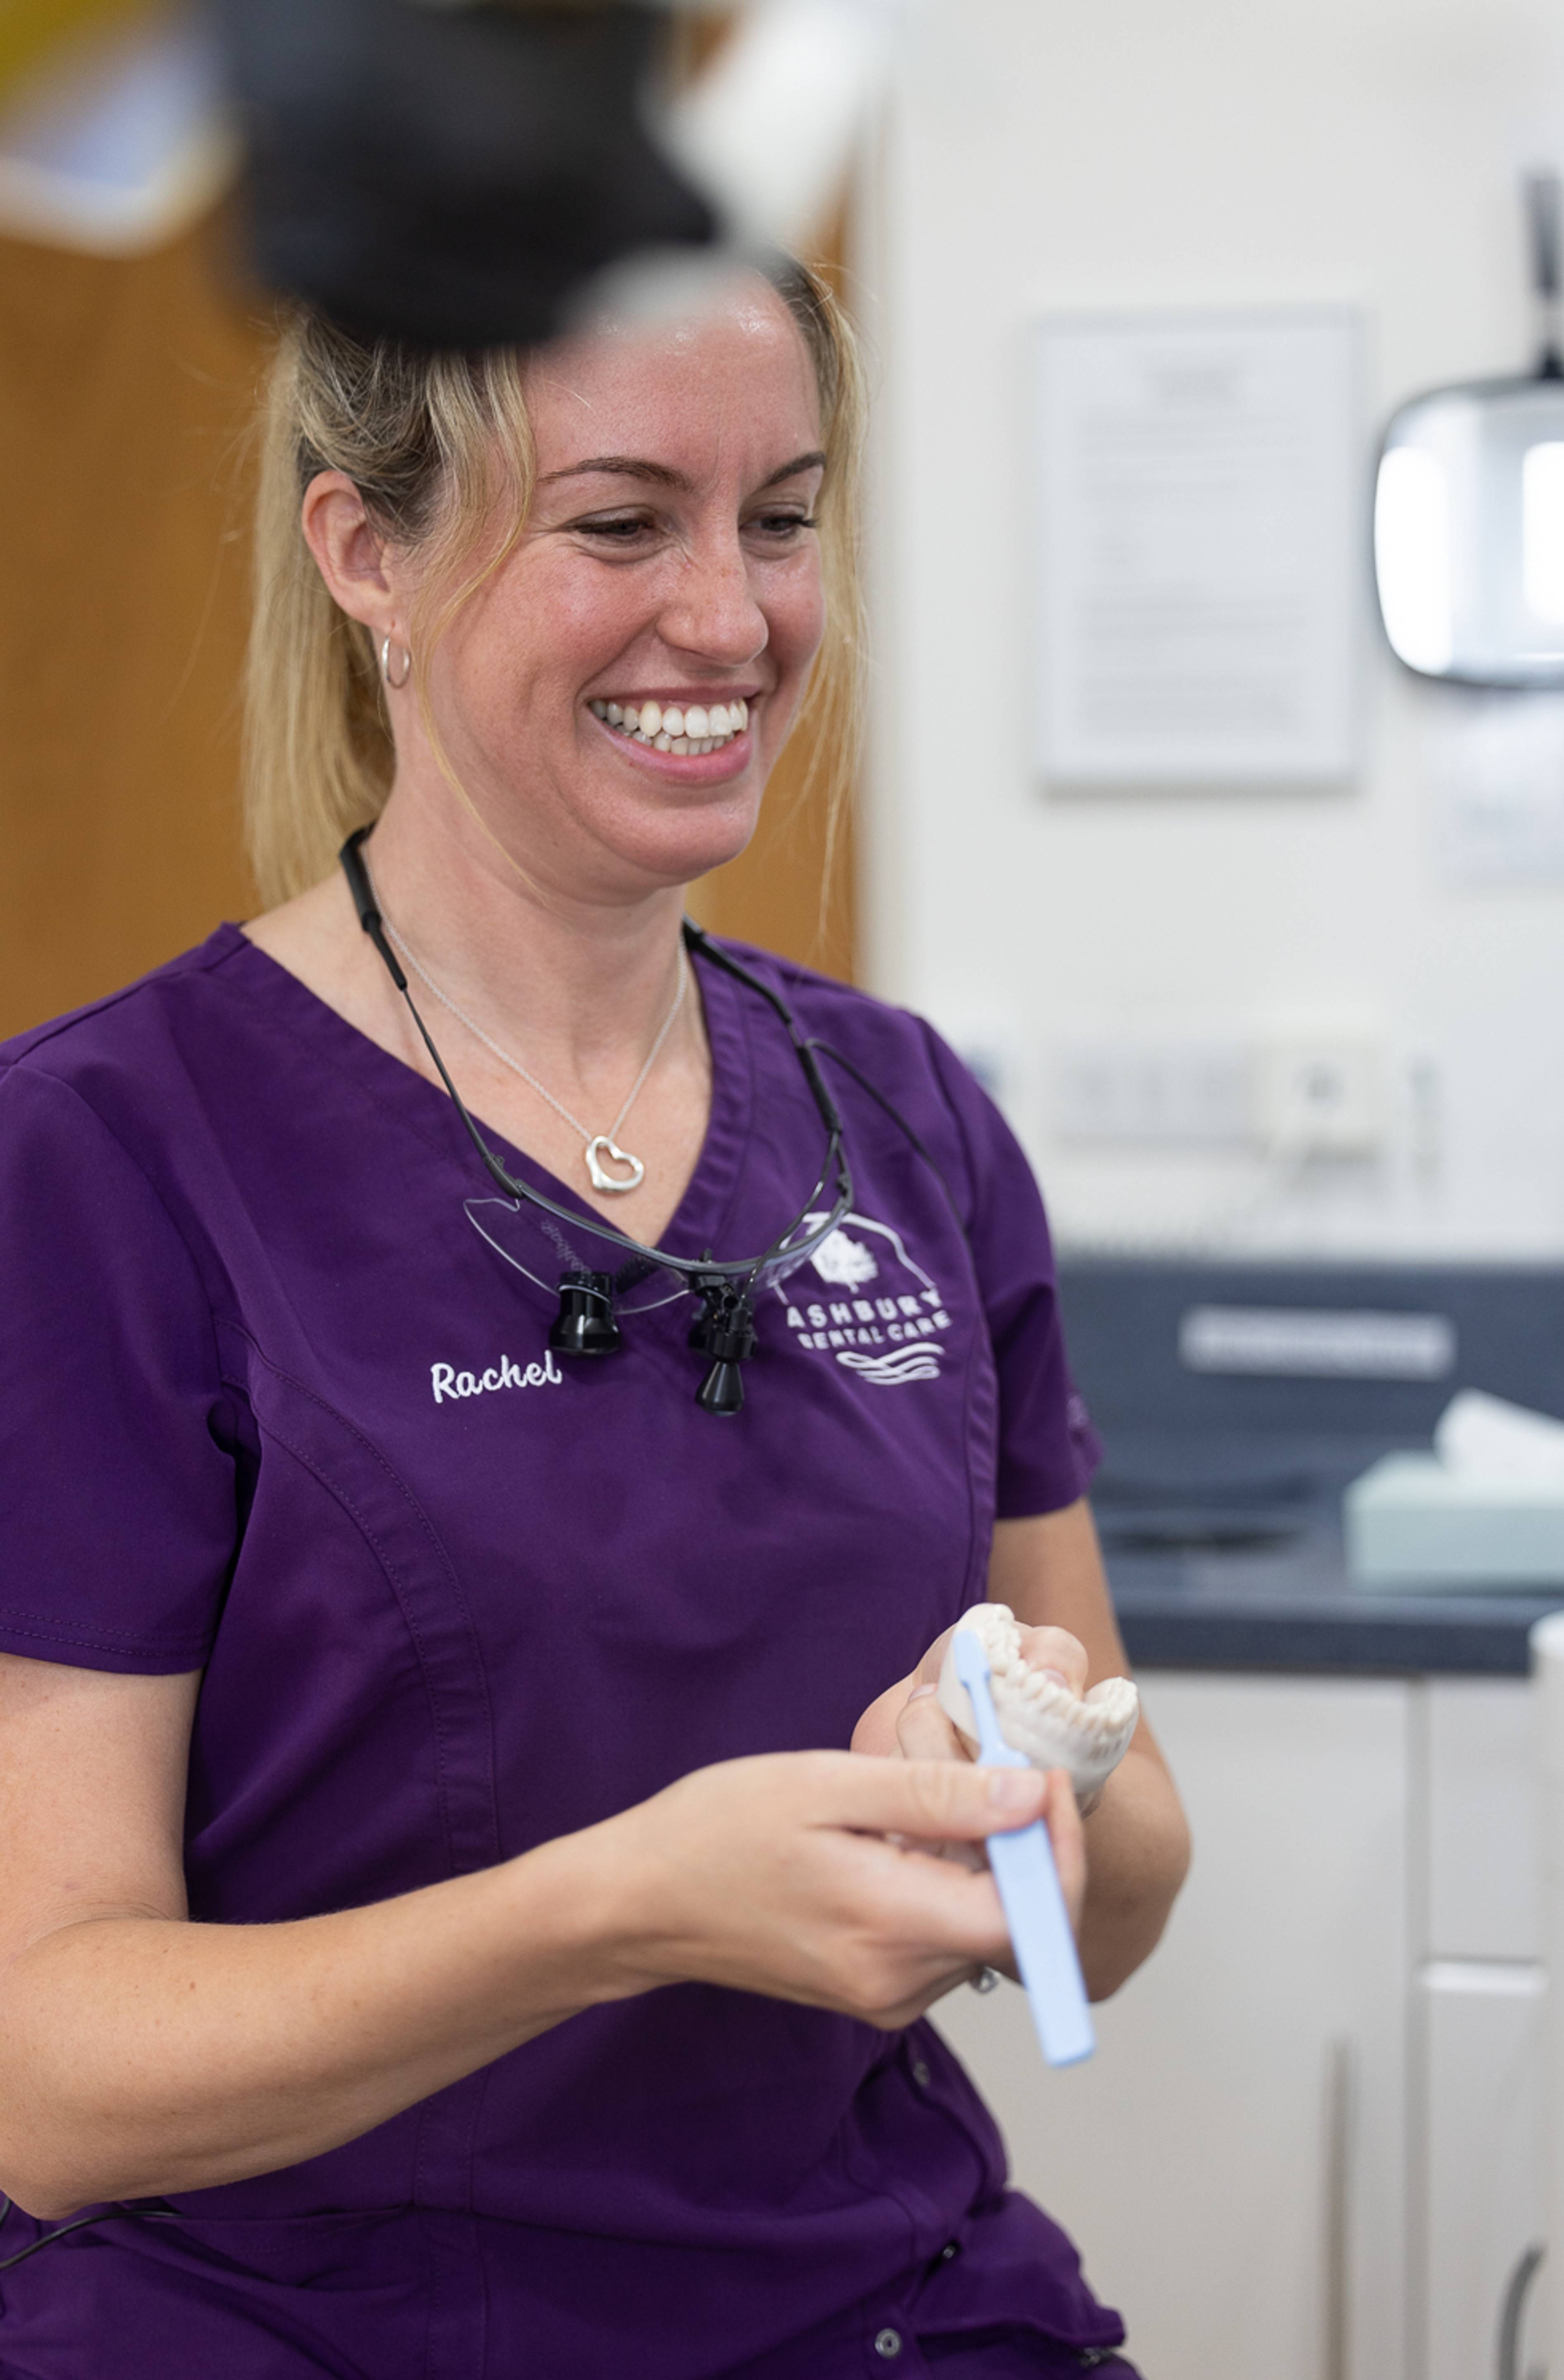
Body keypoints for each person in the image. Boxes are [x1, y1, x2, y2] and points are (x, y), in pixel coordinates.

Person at [0, 255, 1190, 2378]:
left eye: (786, 516)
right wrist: (621, 1904)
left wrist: (1022, 1789)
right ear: (368, 550)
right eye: (623, 521)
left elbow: (1128, 1864)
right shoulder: (104, 1158)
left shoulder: (910, 1118)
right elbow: (52, 2071)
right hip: (300, 2328)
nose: (730, 619)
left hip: (889, 2306)